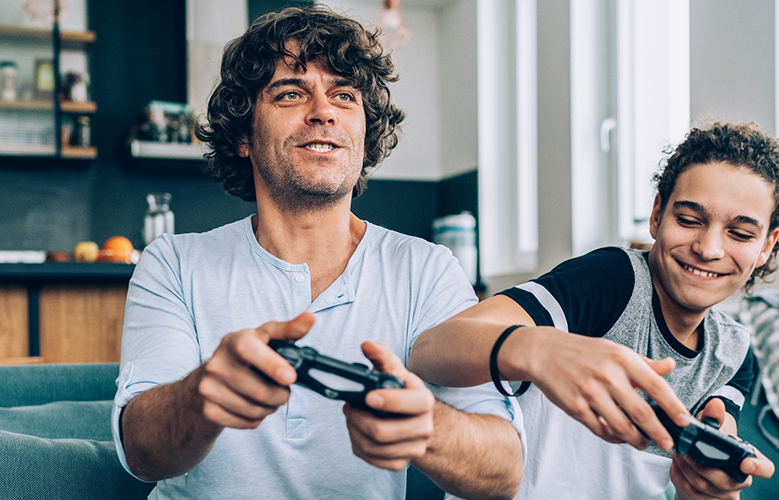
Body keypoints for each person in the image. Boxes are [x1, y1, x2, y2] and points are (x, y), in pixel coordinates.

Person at [111, 6, 523, 500]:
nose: (324, 110)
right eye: (290, 92)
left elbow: (504, 471)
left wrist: (427, 427)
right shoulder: (173, 264)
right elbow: (140, 451)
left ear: (365, 132)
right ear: (243, 135)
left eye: (344, 95)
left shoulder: (426, 271)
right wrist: (203, 396)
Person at [409, 122, 779, 499]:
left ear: (766, 245)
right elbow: (430, 350)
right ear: (657, 215)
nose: (709, 248)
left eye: (741, 234)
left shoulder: (733, 351)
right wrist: (539, 349)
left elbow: (714, 440)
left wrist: (709, 488)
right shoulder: (613, 280)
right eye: (689, 220)